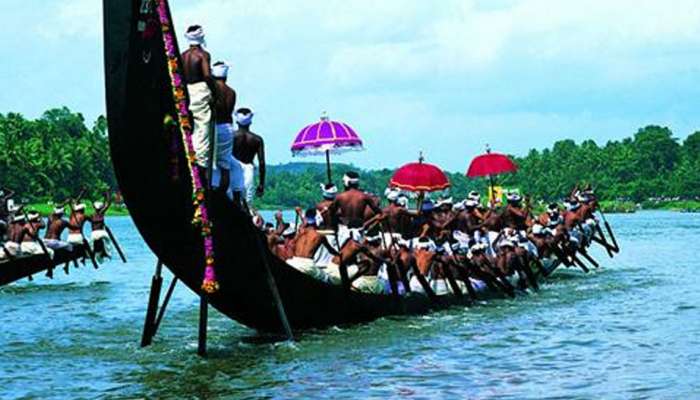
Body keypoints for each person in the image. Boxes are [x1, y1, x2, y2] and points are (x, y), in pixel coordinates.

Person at [210, 61, 245, 204]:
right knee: (224, 165)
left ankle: (212, 192)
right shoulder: (231, 92)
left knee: (209, 161)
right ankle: (221, 195)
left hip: (215, 126)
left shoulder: (212, 89)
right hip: (227, 127)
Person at [182, 25, 215, 173]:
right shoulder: (203, 55)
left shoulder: (182, 56)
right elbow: (207, 75)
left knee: (188, 124)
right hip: (200, 90)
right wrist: (214, 91)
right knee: (202, 128)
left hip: (186, 91)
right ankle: (199, 167)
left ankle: (189, 155)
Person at [328, 171, 383, 246]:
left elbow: (330, 213)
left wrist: (338, 221)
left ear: (347, 183)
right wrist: (367, 224)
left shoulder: (340, 197)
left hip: (343, 230)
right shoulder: (364, 196)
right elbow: (380, 214)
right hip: (360, 230)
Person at [285, 208, 339, 282]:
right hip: (307, 265)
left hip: (292, 262)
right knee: (329, 279)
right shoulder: (320, 236)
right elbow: (331, 251)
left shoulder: (301, 231)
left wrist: (300, 213)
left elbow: (304, 221)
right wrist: (340, 255)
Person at [232, 107, 265, 210]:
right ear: (250, 123)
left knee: (232, 200)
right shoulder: (257, 139)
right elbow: (262, 163)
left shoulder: (232, 137)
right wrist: (261, 184)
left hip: (233, 169)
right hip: (249, 170)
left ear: (237, 122)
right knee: (247, 202)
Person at [89, 194, 112, 262]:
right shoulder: (101, 213)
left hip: (93, 234)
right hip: (102, 233)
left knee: (92, 243)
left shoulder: (92, 215)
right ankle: (108, 253)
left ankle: (92, 252)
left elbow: (104, 205)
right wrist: (108, 194)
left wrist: (104, 198)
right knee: (108, 241)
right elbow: (107, 204)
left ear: (94, 208)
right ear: (100, 208)